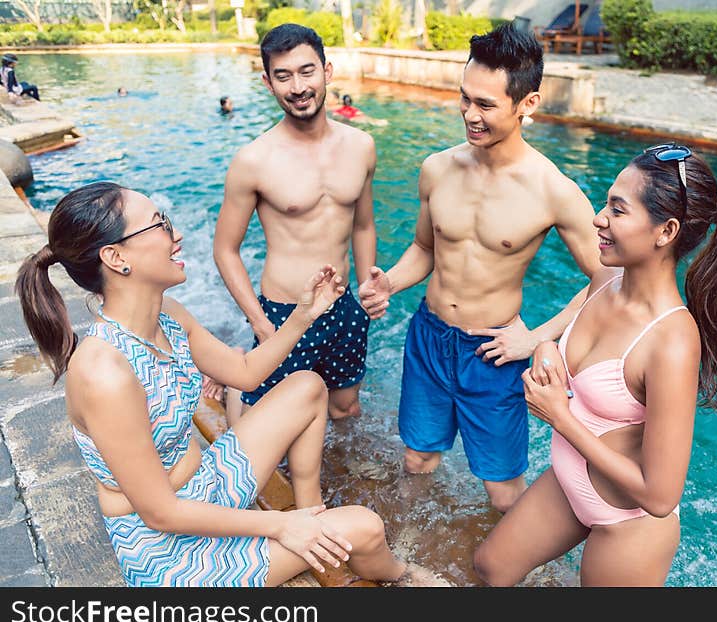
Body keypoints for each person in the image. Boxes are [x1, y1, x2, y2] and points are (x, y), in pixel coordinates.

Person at [15, 181, 446, 587]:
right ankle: (401, 574)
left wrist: (303, 314)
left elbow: (244, 372)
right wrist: (279, 525)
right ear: (115, 258)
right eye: (159, 223)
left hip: (205, 489)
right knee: (367, 529)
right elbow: (161, 513)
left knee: (307, 385)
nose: (175, 234)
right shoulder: (103, 373)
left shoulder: (168, 314)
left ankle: (311, 514)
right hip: (169, 550)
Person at [473, 144, 717, 586]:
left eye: (617, 210)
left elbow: (661, 496)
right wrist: (544, 349)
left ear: (666, 231)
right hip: (569, 484)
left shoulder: (672, 343)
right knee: (491, 567)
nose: (598, 219)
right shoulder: (605, 280)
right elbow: (565, 342)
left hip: (629, 524)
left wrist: (560, 417)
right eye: (606, 204)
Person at [358, 23, 606, 512]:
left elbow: (610, 278)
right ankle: (406, 552)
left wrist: (538, 338)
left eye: (486, 105)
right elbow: (425, 249)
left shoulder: (553, 190)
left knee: (502, 492)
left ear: (527, 104)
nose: (470, 115)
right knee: (417, 461)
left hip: (494, 351)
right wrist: (389, 280)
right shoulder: (437, 168)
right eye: (465, 99)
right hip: (429, 339)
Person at [214, 23, 377, 420]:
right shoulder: (254, 160)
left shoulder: (361, 146)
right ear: (268, 83)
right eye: (283, 76)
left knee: (344, 408)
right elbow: (225, 249)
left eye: (307, 71)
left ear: (327, 71)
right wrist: (260, 322)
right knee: (268, 417)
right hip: (283, 313)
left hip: (342, 308)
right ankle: (236, 379)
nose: (298, 87)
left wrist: (368, 284)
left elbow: (363, 225)